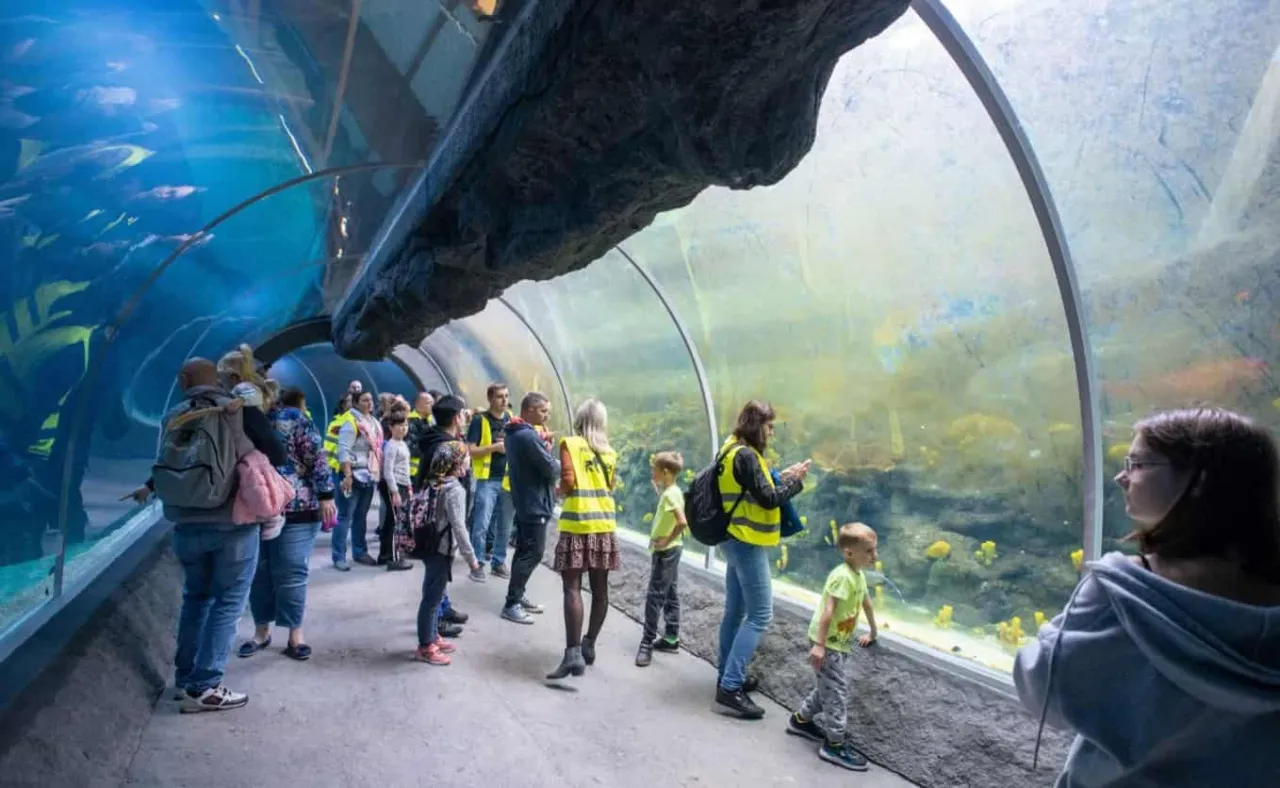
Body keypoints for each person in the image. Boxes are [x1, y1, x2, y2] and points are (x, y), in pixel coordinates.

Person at [1014, 407, 1280, 788]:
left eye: (1138, 464)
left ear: (1200, 479)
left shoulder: (1124, 589)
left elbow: (1041, 687)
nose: (1122, 476)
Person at [136, 358, 287, 713]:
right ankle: (205, 686)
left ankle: (186, 678)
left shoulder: (173, 414)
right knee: (229, 601)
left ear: (183, 380)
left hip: (184, 522)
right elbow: (277, 452)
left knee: (196, 598)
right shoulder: (236, 409)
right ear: (216, 379)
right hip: (232, 523)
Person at [715, 400, 810, 719]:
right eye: (769, 427)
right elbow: (768, 499)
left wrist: (780, 477)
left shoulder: (731, 448)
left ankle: (728, 675)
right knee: (760, 615)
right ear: (758, 425)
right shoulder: (746, 455)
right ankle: (730, 687)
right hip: (747, 540)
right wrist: (794, 483)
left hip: (731, 537)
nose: (771, 433)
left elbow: (754, 488)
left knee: (735, 611)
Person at [239, 387, 336, 661]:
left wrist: (326, 494)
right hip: (254, 508)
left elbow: (316, 455)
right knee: (259, 571)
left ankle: (295, 634)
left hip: (297, 506)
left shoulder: (293, 418)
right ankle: (261, 631)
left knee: (291, 569)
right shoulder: (235, 419)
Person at [786, 522, 879, 771]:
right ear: (849, 553)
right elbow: (828, 612)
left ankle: (801, 720)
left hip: (839, 643)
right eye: (869, 551)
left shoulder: (858, 576)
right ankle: (834, 744)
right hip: (827, 643)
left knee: (828, 686)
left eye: (874, 550)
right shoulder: (842, 576)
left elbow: (866, 603)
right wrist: (819, 645)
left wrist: (873, 630)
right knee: (836, 692)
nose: (874, 556)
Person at [546, 399, 619, 679]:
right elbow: (610, 485)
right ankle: (589, 644)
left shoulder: (570, 444)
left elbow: (568, 479)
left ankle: (572, 654)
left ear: (580, 420)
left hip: (577, 523)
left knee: (572, 588)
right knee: (600, 590)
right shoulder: (609, 452)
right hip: (604, 525)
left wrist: (557, 491)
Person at [407, 440, 482, 666]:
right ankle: (425, 647)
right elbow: (459, 527)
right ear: (457, 463)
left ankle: (432, 636)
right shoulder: (455, 490)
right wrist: (472, 560)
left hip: (429, 545)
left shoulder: (435, 482)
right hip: (441, 550)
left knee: (434, 594)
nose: (469, 461)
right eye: (466, 458)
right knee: (432, 599)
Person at [414, 393, 480, 635]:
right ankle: (432, 630)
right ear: (455, 417)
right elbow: (456, 521)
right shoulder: (445, 448)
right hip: (440, 530)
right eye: (462, 414)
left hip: (438, 529)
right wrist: (471, 557)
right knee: (434, 583)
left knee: (436, 580)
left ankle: (441, 612)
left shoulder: (439, 441)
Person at [501, 392, 559, 625]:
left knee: (524, 550)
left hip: (526, 500)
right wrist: (556, 457)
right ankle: (511, 603)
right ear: (530, 410)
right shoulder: (527, 436)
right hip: (534, 503)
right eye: (543, 411)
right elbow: (550, 469)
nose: (547, 416)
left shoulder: (515, 432)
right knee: (533, 552)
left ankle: (517, 594)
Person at [635, 451, 688, 668]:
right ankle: (671, 638)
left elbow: (682, 522)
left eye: (655, 469)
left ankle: (646, 644)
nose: (652, 473)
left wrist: (665, 540)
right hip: (673, 550)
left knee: (655, 596)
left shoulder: (670, 495)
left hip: (666, 552)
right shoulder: (672, 491)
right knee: (670, 593)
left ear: (665, 472)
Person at [467, 383, 515, 580]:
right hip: (487, 480)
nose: (504, 400)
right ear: (490, 399)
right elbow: (470, 449)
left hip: (508, 480)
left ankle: (498, 561)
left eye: (506, 396)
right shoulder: (480, 420)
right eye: (499, 397)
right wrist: (494, 447)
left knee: (505, 525)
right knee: (482, 524)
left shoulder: (511, 419)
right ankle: (477, 563)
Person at [334, 391, 382, 569]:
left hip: (369, 475)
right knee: (345, 517)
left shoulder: (374, 423)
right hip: (352, 474)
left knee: (361, 516)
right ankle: (339, 556)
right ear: (355, 403)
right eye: (364, 400)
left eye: (370, 399)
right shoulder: (351, 422)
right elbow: (343, 450)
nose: (369, 403)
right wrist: (347, 475)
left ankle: (360, 551)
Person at [379, 412, 414, 571]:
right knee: (393, 521)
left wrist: (409, 487)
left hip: (403, 484)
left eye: (405, 425)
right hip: (393, 485)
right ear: (391, 427)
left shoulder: (403, 444)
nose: (403, 428)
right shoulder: (391, 445)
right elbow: (388, 471)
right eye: (400, 425)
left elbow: (405, 469)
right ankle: (392, 558)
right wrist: (394, 492)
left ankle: (385, 555)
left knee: (393, 520)